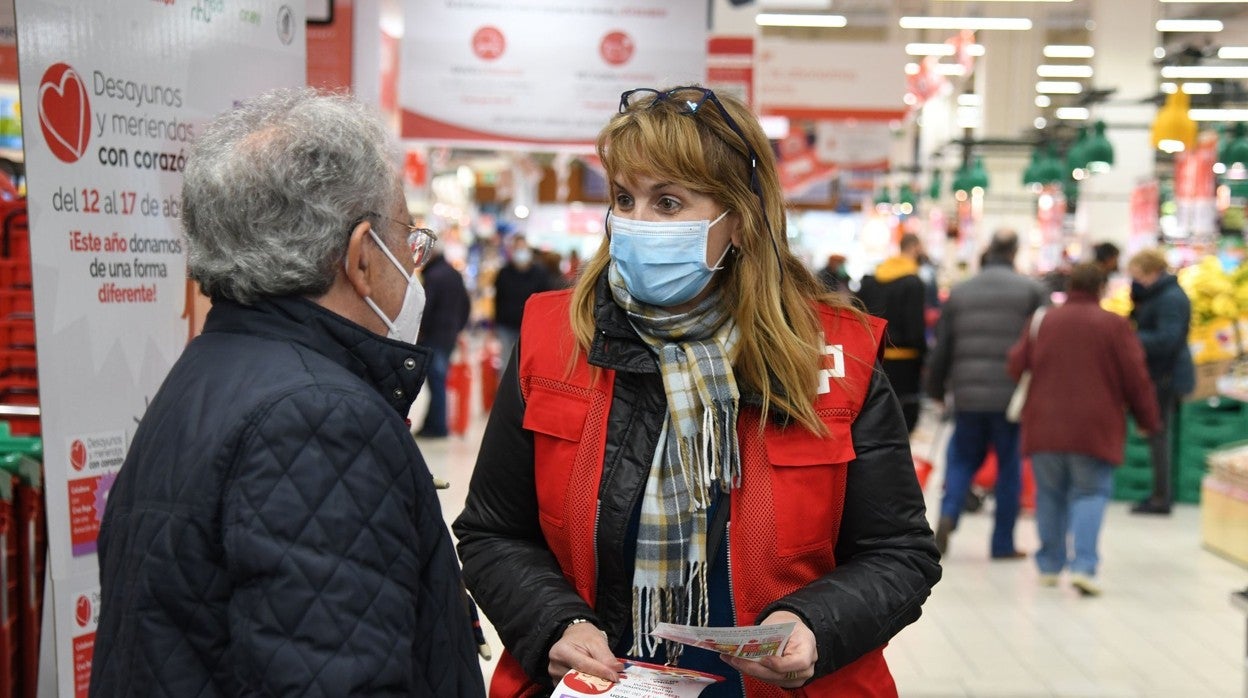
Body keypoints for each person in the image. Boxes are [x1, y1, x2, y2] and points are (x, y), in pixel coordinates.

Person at [453, 85, 940, 698]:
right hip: (602, 685)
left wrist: (814, 624)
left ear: (737, 220)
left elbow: (898, 552)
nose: (635, 224)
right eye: (625, 199)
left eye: (668, 203)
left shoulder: (836, 357)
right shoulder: (553, 339)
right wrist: (555, 621)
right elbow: (494, 531)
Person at [88, 89, 486, 697]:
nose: (413, 261)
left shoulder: (211, 369)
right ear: (360, 257)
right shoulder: (319, 418)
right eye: (407, 234)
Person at [1006, 263, 1160, 596]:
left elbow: (1016, 365)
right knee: (1090, 493)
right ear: (1102, 287)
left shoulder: (1042, 321)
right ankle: (1084, 567)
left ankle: (1049, 566)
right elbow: (1136, 378)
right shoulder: (1114, 325)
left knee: (1050, 494)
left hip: (1044, 423)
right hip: (1094, 425)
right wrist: (1148, 421)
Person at [925, 230, 1047, 560]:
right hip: (1013, 397)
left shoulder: (961, 292)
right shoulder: (1032, 291)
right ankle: (1002, 543)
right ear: (1015, 252)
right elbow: (1043, 345)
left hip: (967, 394)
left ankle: (949, 512)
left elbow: (942, 347)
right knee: (1009, 468)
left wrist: (936, 389)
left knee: (962, 459)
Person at [1126, 248, 1195, 515]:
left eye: (1139, 276)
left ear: (1153, 271)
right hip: (1160, 373)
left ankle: (1161, 497)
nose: (1137, 281)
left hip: (1165, 375)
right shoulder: (1158, 295)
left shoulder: (1170, 299)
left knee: (1159, 434)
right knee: (1157, 433)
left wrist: (1131, 340)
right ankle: (1158, 493)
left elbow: (1168, 339)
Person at [856, 233, 928, 433]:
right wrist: (924, 357)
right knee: (904, 420)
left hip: (874, 358)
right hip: (906, 362)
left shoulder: (872, 279)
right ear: (914, 248)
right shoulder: (913, 283)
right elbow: (915, 328)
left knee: (876, 418)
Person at [416, 244, 471, 437]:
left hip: (434, 336)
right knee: (439, 381)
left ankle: (437, 426)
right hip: (448, 336)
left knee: (436, 382)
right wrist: (458, 327)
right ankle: (434, 423)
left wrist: (421, 330)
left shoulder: (433, 277)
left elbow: (426, 308)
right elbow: (466, 304)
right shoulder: (453, 274)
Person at [492, 233, 555, 369]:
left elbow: (545, 300)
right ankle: (506, 390)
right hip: (506, 326)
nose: (520, 252)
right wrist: (495, 324)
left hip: (530, 327)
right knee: (506, 364)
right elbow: (498, 299)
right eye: (517, 248)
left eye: (523, 248)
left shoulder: (540, 274)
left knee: (526, 365)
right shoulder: (504, 272)